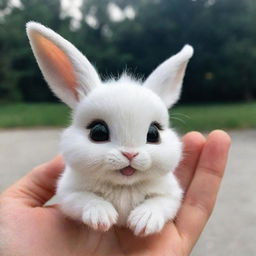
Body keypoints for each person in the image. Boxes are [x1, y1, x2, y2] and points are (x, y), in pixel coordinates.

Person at [0, 130, 231, 256]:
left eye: (151, 135)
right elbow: (70, 195)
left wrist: (156, 210)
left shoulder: (162, 178)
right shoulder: (77, 175)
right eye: (100, 133)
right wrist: (89, 205)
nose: (130, 154)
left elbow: (169, 197)